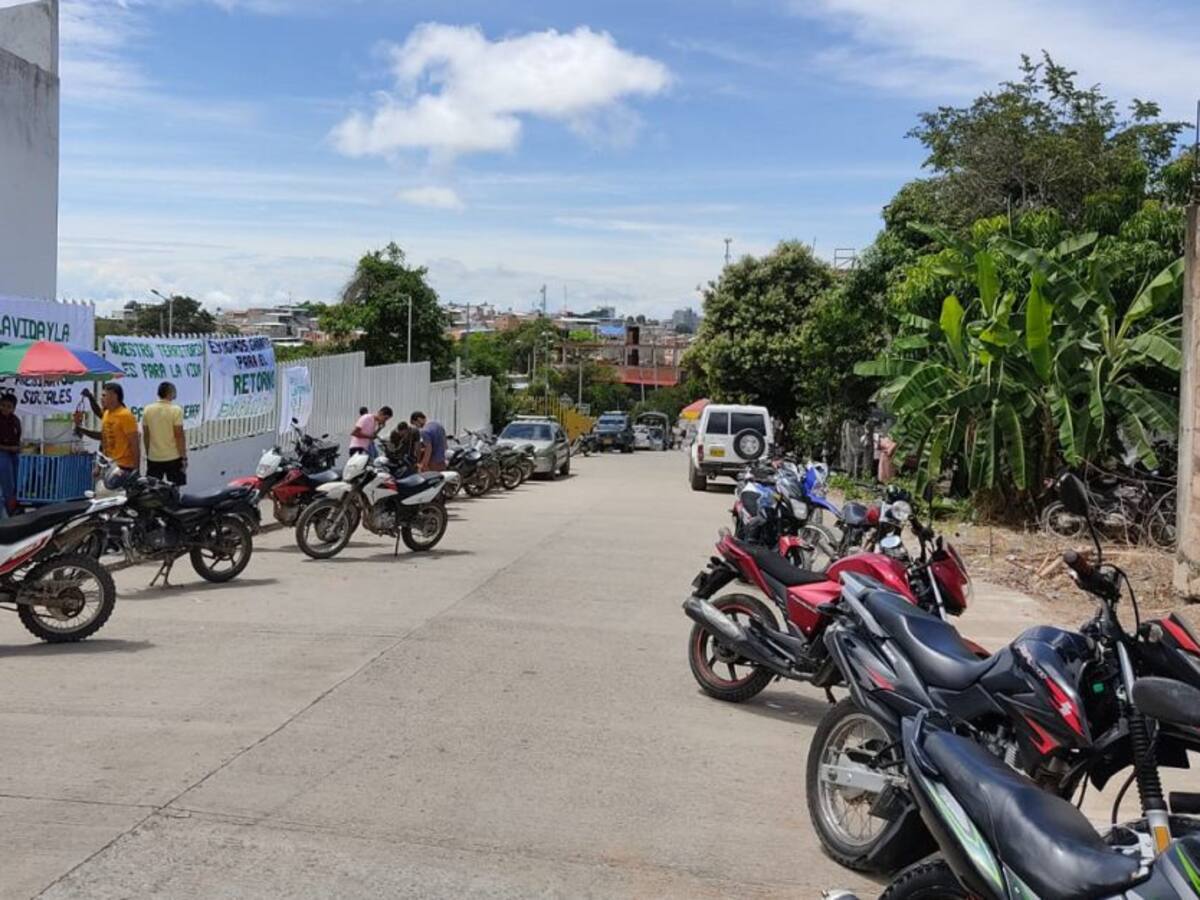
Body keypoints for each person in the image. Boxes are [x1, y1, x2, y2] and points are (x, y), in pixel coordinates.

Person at [75, 383, 140, 482]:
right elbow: (104, 439)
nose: (101, 398)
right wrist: (98, 466)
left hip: (124, 467)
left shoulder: (125, 416)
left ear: (114, 396)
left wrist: (136, 470)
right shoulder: (107, 414)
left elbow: (135, 445)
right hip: (110, 467)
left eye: (104, 395)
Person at [142, 381, 188, 485]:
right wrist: (183, 457)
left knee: (152, 489)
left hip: (154, 457)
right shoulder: (176, 410)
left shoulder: (147, 410)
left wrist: (149, 452)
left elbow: (146, 435)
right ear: (170, 393)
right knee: (175, 488)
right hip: (173, 457)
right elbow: (179, 435)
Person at [0, 393, 21, 517]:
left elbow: (17, 439)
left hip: (13, 453)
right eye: (2, 405)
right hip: (2, 453)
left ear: (13, 408)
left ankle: (15, 506)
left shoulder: (16, 421)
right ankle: (9, 511)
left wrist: (17, 448)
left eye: (8, 407)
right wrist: (8, 448)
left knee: (18, 481)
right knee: (8, 483)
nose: (4, 409)